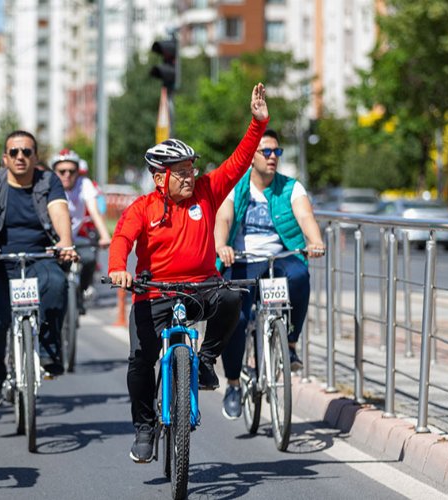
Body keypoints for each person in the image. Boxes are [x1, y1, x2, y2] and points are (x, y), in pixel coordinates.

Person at [108, 83, 269, 463]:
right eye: (179, 172)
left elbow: (238, 161)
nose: (188, 176)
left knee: (232, 295)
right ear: (159, 177)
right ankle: (145, 428)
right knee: (139, 360)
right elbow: (122, 239)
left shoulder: (206, 192)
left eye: (190, 169)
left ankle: (207, 361)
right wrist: (118, 269)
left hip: (201, 288)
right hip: (154, 293)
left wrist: (257, 124)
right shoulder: (142, 207)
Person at [214, 128, 325, 420]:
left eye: (277, 151)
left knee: (300, 276)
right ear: (252, 157)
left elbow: (305, 216)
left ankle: (289, 343)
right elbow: (223, 217)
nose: (273, 157)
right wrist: (222, 245)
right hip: (242, 260)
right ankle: (234, 384)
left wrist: (314, 241)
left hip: (279, 258)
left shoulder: (291, 187)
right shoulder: (236, 186)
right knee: (235, 316)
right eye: (267, 151)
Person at [0, 130, 77, 409]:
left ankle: (49, 350)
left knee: (57, 283)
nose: (20, 157)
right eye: (14, 152)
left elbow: (60, 211)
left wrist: (65, 243)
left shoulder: (48, 181)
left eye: (27, 152)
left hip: (39, 256)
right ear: (5, 157)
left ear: (36, 157)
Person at [50, 149, 112, 312]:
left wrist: (105, 235)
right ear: (55, 172)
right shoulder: (48, 185)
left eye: (72, 171)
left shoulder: (84, 184)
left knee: (90, 257)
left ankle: (82, 290)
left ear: (78, 172)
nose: (67, 175)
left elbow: (94, 211)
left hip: (75, 238)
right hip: (53, 240)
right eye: (62, 171)